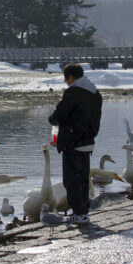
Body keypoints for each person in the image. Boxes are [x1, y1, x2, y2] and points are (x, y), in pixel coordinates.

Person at [48, 63, 102, 224]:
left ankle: (79, 213)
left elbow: (58, 115)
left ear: (71, 77)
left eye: (66, 78)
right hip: (88, 142)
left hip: (72, 142)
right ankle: (83, 213)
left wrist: (53, 119)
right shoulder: (95, 93)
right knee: (83, 180)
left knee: (71, 180)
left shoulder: (73, 92)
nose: (66, 82)